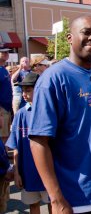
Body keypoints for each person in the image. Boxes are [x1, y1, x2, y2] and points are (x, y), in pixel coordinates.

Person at [28, 16, 91, 213]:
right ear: (70, 38)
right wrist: (56, 199)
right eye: (86, 32)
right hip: (76, 198)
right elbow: (38, 141)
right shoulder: (52, 79)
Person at [6, 72, 51, 214]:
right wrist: (17, 172)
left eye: (28, 90)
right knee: (33, 205)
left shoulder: (49, 111)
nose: (24, 94)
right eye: (23, 90)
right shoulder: (20, 114)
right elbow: (16, 147)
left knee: (53, 204)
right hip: (28, 172)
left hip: (49, 172)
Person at [0, 48, 12, 144]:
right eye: (3, 52)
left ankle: (5, 154)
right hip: (1, 107)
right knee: (2, 134)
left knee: (6, 134)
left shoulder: (4, 69)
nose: (6, 54)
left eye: (7, 52)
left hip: (7, 107)